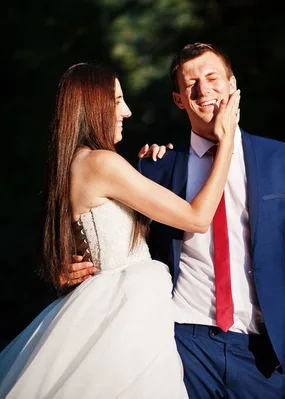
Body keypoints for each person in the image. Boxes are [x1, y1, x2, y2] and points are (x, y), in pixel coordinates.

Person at [66, 42, 285, 398]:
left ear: (233, 86)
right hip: (181, 343)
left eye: (213, 77)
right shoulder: (156, 166)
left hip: (263, 357)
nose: (204, 89)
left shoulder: (283, 159)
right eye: (191, 84)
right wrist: (67, 264)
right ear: (178, 100)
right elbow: (106, 232)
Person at [0, 62, 240, 398]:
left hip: (107, 309)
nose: (126, 111)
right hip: (125, 316)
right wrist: (226, 143)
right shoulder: (101, 163)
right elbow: (197, 219)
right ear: (92, 105)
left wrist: (157, 166)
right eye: (116, 101)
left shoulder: (74, 165)